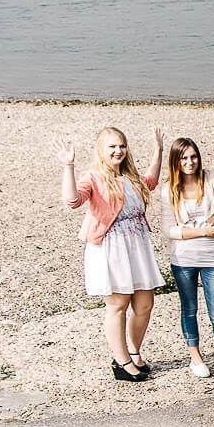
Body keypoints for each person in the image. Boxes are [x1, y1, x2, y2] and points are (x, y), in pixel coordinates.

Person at [57, 125, 165, 381]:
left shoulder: (130, 175)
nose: (118, 151)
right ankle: (122, 361)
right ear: (101, 151)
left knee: (144, 304)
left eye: (121, 146)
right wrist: (68, 166)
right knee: (118, 305)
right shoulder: (93, 177)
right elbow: (72, 201)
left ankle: (135, 351)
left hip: (137, 246)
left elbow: (150, 181)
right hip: (111, 247)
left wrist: (158, 150)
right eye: (112, 147)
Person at [163, 136, 214, 378]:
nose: (189, 162)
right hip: (183, 260)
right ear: (175, 161)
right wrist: (204, 230)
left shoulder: (212, 180)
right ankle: (195, 356)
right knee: (189, 309)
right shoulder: (169, 189)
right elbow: (169, 230)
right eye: (183, 158)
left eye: (193, 156)